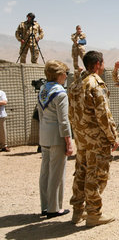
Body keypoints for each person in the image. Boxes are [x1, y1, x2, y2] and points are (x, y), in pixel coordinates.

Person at [69, 50, 118, 226]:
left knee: (81, 172)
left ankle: (77, 211)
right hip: (96, 139)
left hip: (82, 138)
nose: (103, 67)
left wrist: (78, 134)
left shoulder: (76, 84)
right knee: (96, 174)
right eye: (103, 63)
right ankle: (93, 214)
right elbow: (103, 115)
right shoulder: (95, 84)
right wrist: (112, 137)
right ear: (97, 64)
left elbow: (71, 113)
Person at [37, 60, 73, 218]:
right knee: (57, 173)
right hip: (57, 136)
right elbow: (64, 121)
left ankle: (45, 206)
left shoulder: (43, 90)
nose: (66, 76)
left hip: (44, 135)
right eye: (65, 73)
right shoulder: (60, 93)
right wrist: (68, 142)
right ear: (59, 75)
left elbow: (40, 115)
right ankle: (54, 208)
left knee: (45, 172)